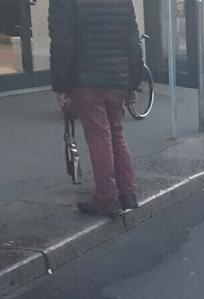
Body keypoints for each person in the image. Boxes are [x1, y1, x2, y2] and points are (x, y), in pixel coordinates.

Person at [49, 0, 141, 216]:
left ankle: (107, 197)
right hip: (118, 78)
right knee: (116, 134)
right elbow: (132, 40)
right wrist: (133, 82)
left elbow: (63, 42)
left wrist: (61, 86)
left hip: (87, 80)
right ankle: (128, 193)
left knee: (99, 138)